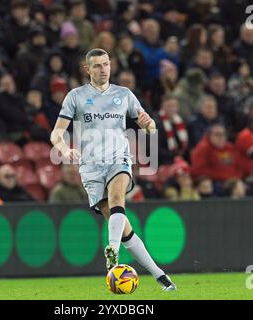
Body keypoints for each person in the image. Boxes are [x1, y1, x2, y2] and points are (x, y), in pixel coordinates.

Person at [50, 48, 176, 291]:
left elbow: (148, 125)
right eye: (97, 66)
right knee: (122, 226)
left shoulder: (124, 94)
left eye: (106, 64)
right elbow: (56, 133)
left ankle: (113, 253)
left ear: (111, 65)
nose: (103, 69)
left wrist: (149, 125)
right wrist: (65, 150)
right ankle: (159, 275)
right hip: (91, 167)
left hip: (118, 158)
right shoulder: (75, 96)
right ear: (87, 69)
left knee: (118, 198)